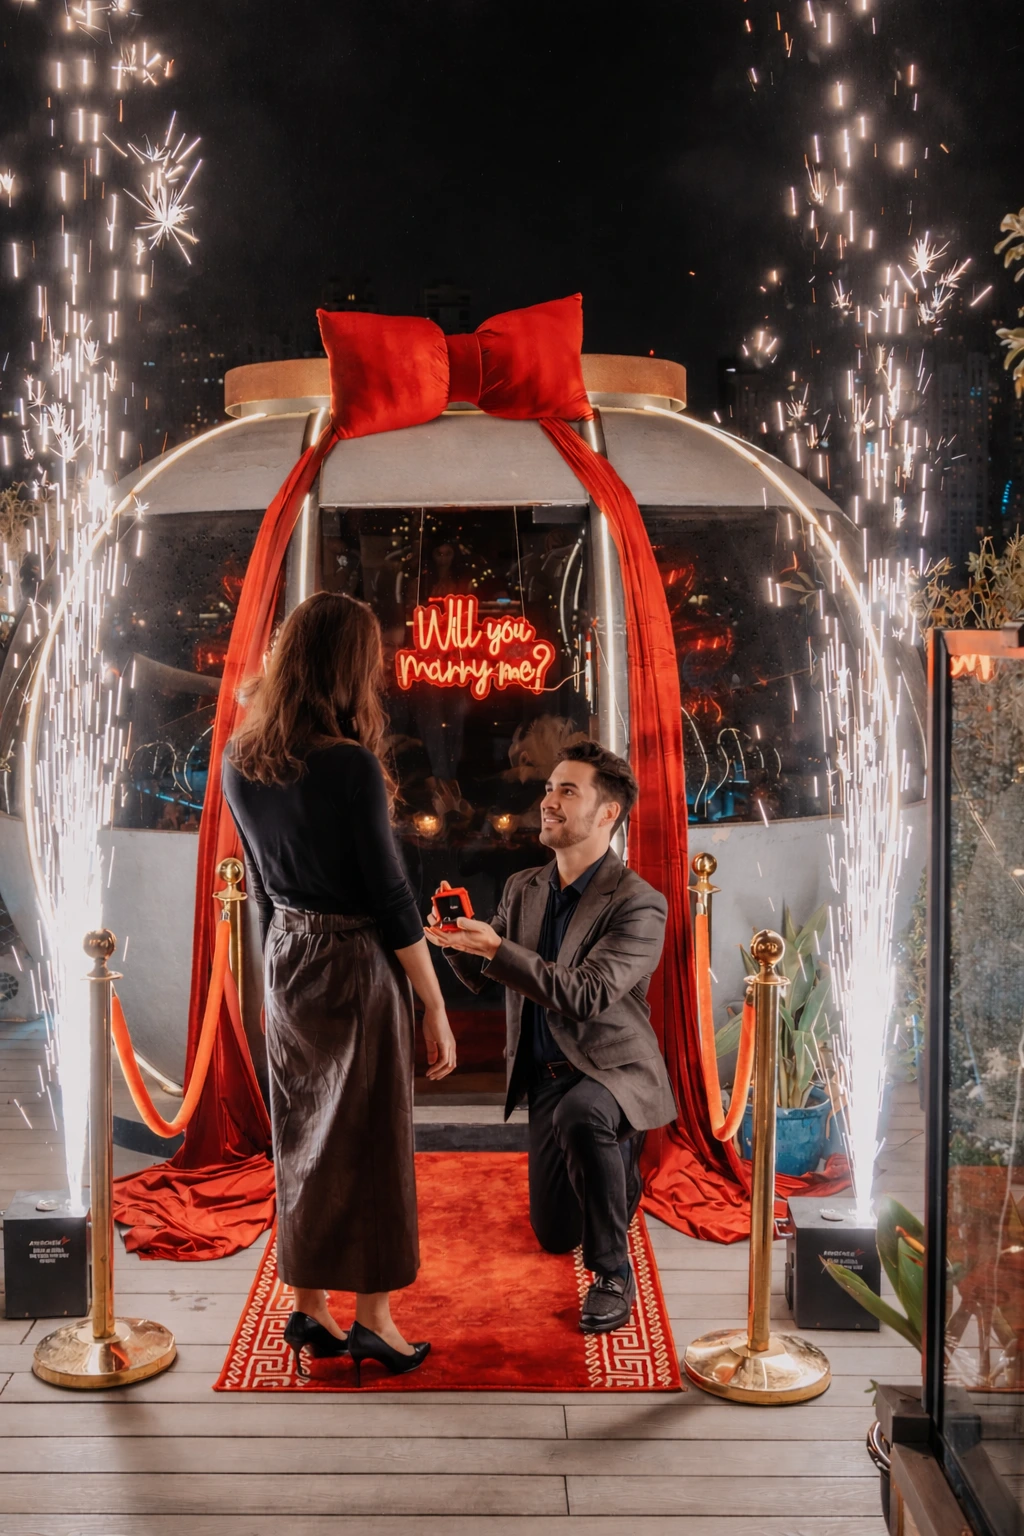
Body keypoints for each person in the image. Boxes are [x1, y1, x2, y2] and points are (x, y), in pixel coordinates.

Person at [223, 590, 457, 1382]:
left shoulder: (240, 758)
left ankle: (310, 1306)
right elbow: (390, 896)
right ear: (346, 668)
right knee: (371, 1140)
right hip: (357, 962)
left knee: (302, 1138)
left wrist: (272, 976)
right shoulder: (350, 764)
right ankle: (376, 1323)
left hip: (286, 957)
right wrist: (432, 999)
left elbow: (260, 886)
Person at [426, 740, 676, 1333]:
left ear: (608, 813)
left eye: (568, 790)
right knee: (553, 1235)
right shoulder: (524, 886)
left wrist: (497, 948)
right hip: (544, 1080)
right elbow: (501, 975)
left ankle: (614, 1274)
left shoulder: (640, 903)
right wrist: (463, 945)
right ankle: (614, 1175)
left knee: (581, 1118)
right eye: (548, 788)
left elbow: (586, 995)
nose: (549, 801)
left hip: (610, 1070)